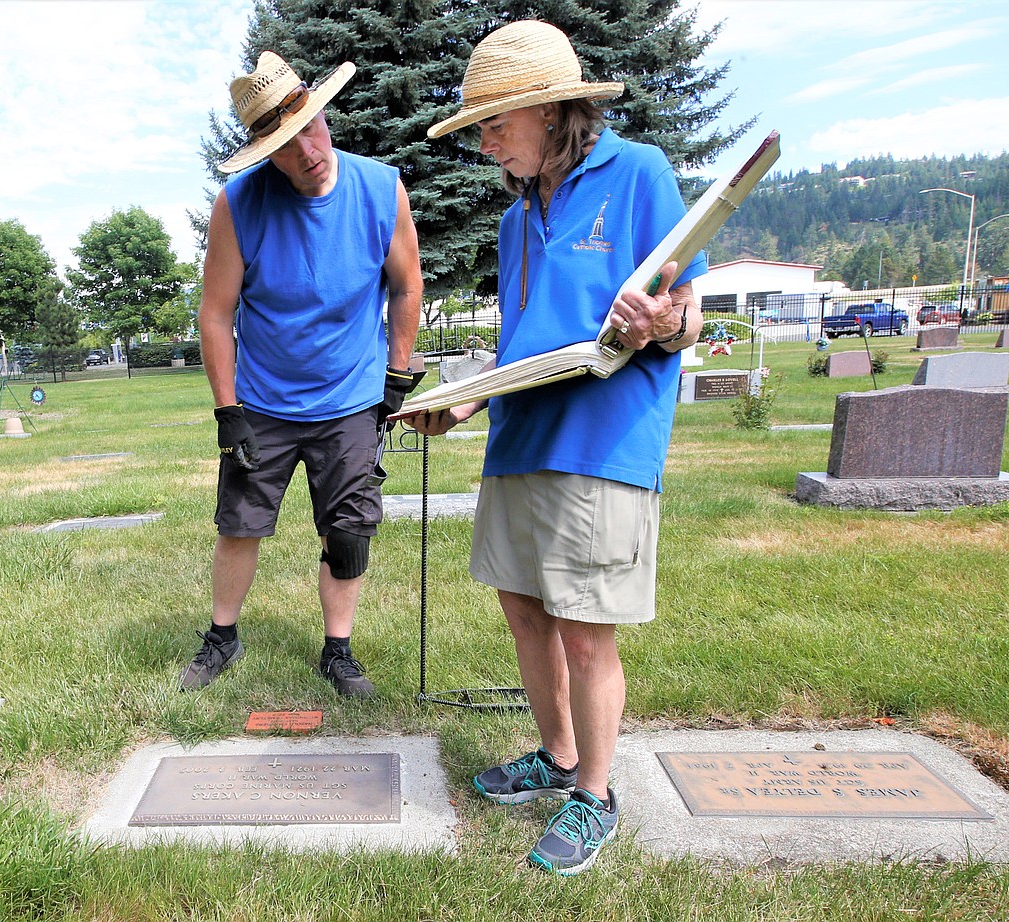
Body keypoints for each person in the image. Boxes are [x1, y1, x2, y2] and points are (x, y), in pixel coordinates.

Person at [404, 21, 706, 874]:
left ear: (552, 110)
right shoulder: (513, 220)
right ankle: (558, 753)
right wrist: (459, 407)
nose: (487, 141)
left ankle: (595, 796)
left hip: (602, 443)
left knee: (584, 630)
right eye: (480, 128)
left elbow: (690, 312)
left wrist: (663, 323)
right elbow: (520, 347)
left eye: (498, 123)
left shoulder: (637, 173)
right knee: (524, 609)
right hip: (519, 439)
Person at [180, 51, 423, 697]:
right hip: (262, 400)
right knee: (240, 524)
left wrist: (396, 376)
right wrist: (228, 410)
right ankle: (221, 638)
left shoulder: (381, 188)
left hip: (350, 398)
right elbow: (215, 313)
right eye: (286, 147)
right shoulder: (240, 204)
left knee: (348, 531)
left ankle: (338, 651)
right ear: (265, 152)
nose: (307, 152)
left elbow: (406, 288)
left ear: (322, 114)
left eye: (311, 130)